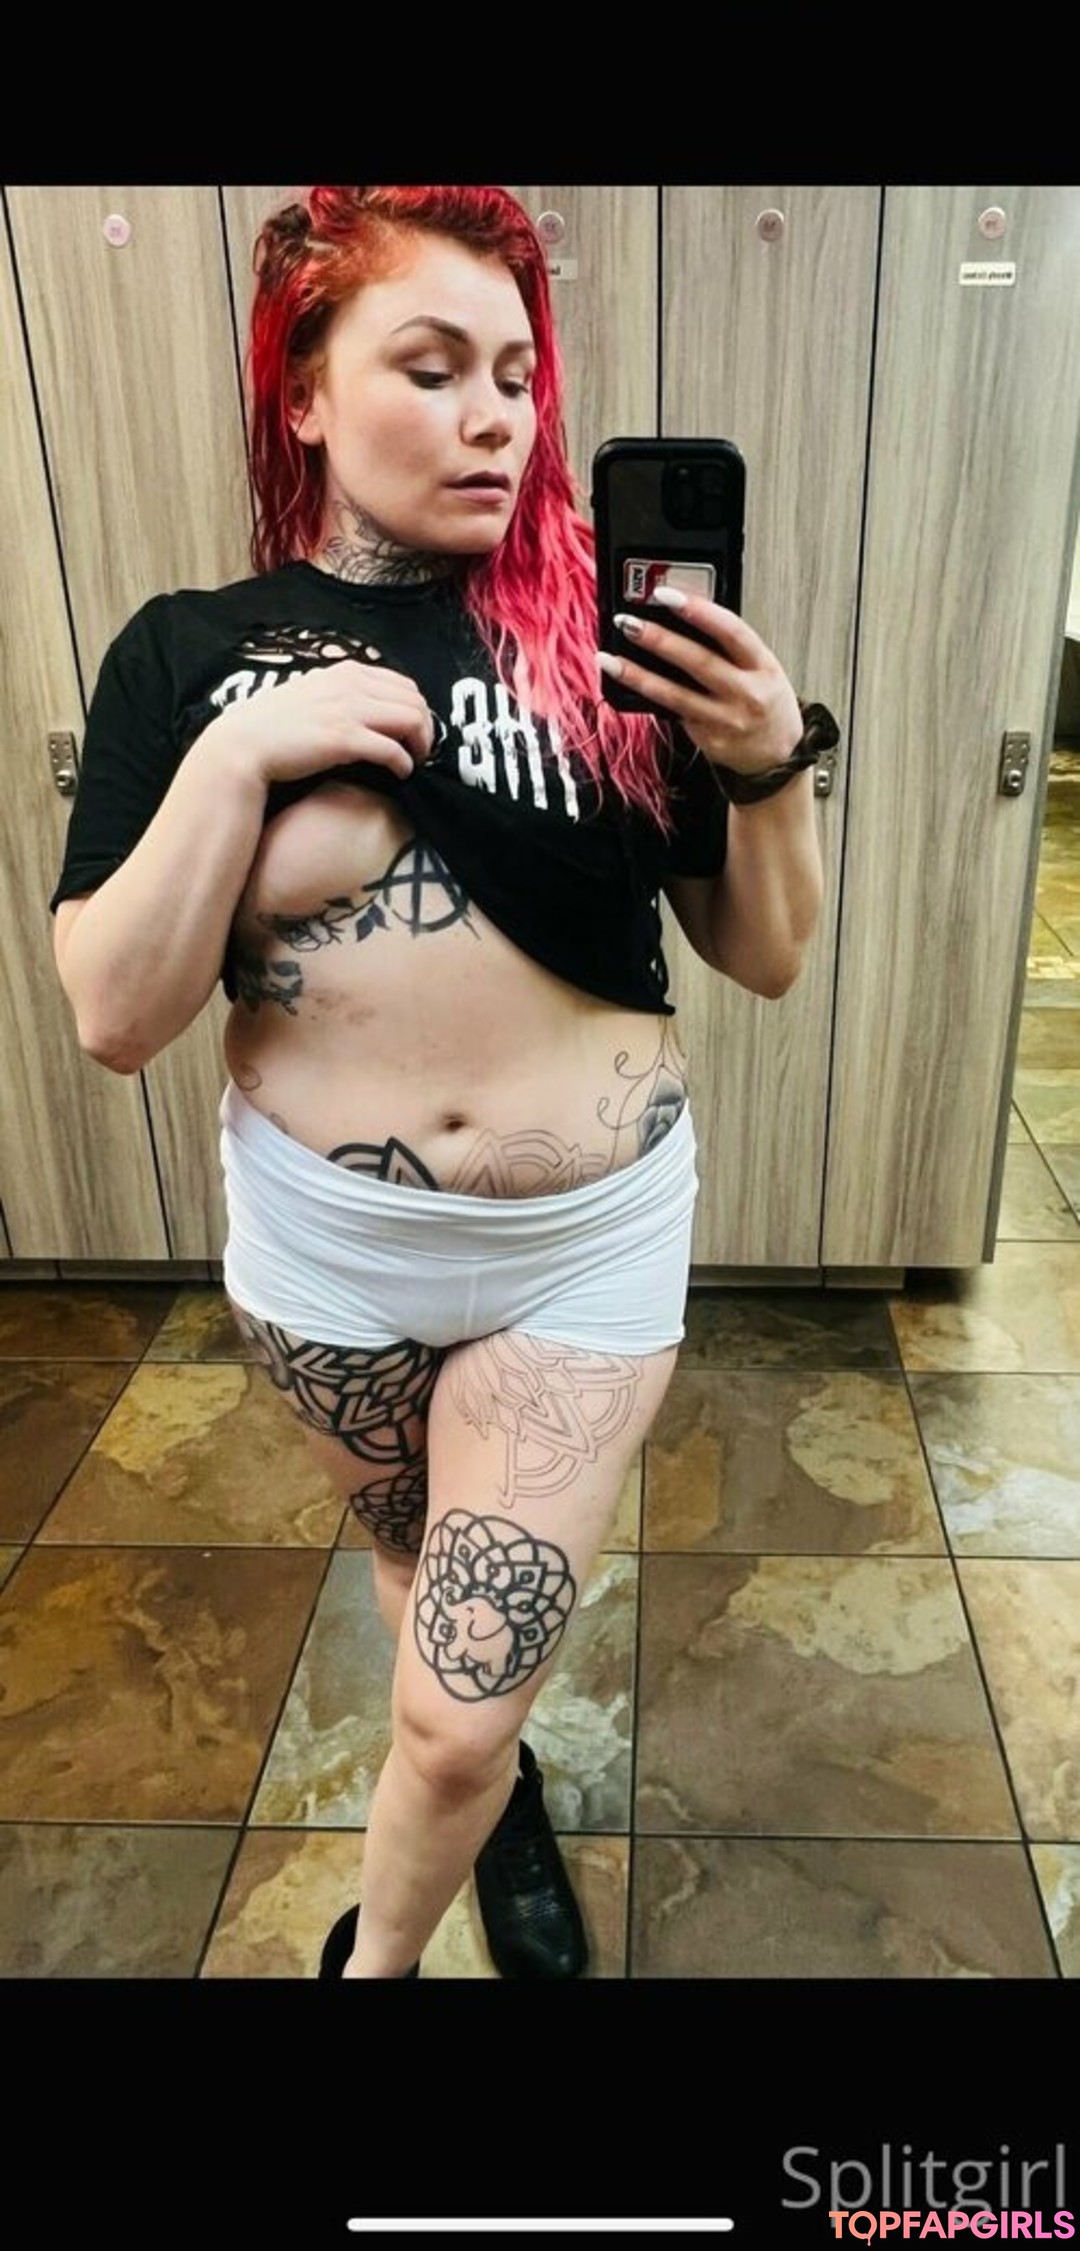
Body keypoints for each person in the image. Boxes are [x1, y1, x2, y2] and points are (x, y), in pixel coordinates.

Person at [50, 184, 832, 1980]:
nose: (497, 418)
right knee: (423, 1580)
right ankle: (491, 1791)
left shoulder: (614, 640)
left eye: (518, 377)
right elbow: (114, 1014)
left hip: (580, 1253)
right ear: (305, 394)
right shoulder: (188, 651)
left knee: (454, 1711)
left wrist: (768, 760)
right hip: (329, 1258)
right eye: (433, 368)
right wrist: (238, 761)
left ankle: (379, 1959)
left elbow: (767, 953)